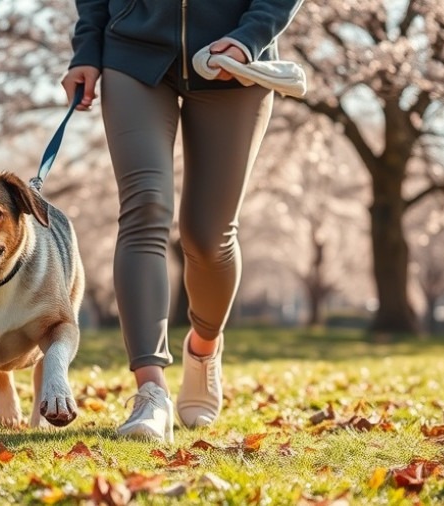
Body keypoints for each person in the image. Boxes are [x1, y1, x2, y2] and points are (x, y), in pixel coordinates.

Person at [62, 0, 303, 441]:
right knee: (145, 209)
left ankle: (204, 349)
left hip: (232, 59)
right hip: (132, 52)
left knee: (208, 236)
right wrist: (87, 48)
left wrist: (250, 37)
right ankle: (151, 394)